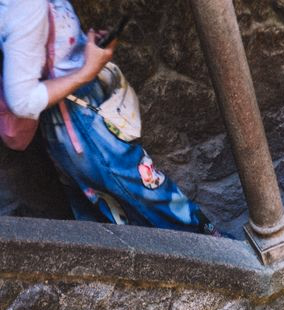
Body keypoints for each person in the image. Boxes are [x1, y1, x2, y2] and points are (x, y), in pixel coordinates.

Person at [0, 0, 218, 232]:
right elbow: (22, 100)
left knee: (103, 211)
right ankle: (216, 253)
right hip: (81, 125)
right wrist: (87, 71)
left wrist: (84, 46)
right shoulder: (27, 6)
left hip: (78, 121)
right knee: (151, 194)